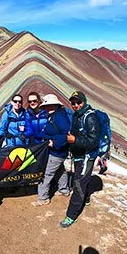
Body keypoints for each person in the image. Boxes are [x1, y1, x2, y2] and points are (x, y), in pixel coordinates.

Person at [60, 91, 100, 228]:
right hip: (79, 156)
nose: (75, 105)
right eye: (73, 103)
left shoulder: (90, 118)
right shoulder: (78, 115)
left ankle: (71, 215)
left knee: (78, 185)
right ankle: (86, 197)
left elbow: (93, 141)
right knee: (82, 180)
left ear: (84, 102)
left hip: (86, 157)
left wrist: (74, 139)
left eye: (78, 102)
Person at [31, 94, 71, 207]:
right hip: (60, 151)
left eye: (50, 105)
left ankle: (43, 197)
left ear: (56, 105)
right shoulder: (55, 115)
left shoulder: (59, 117)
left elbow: (66, 134)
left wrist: (54, 143)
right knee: (60, 169)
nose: (48, 108)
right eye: (46, 106)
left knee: (46, 173)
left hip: (56, 151)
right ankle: (64, 190)